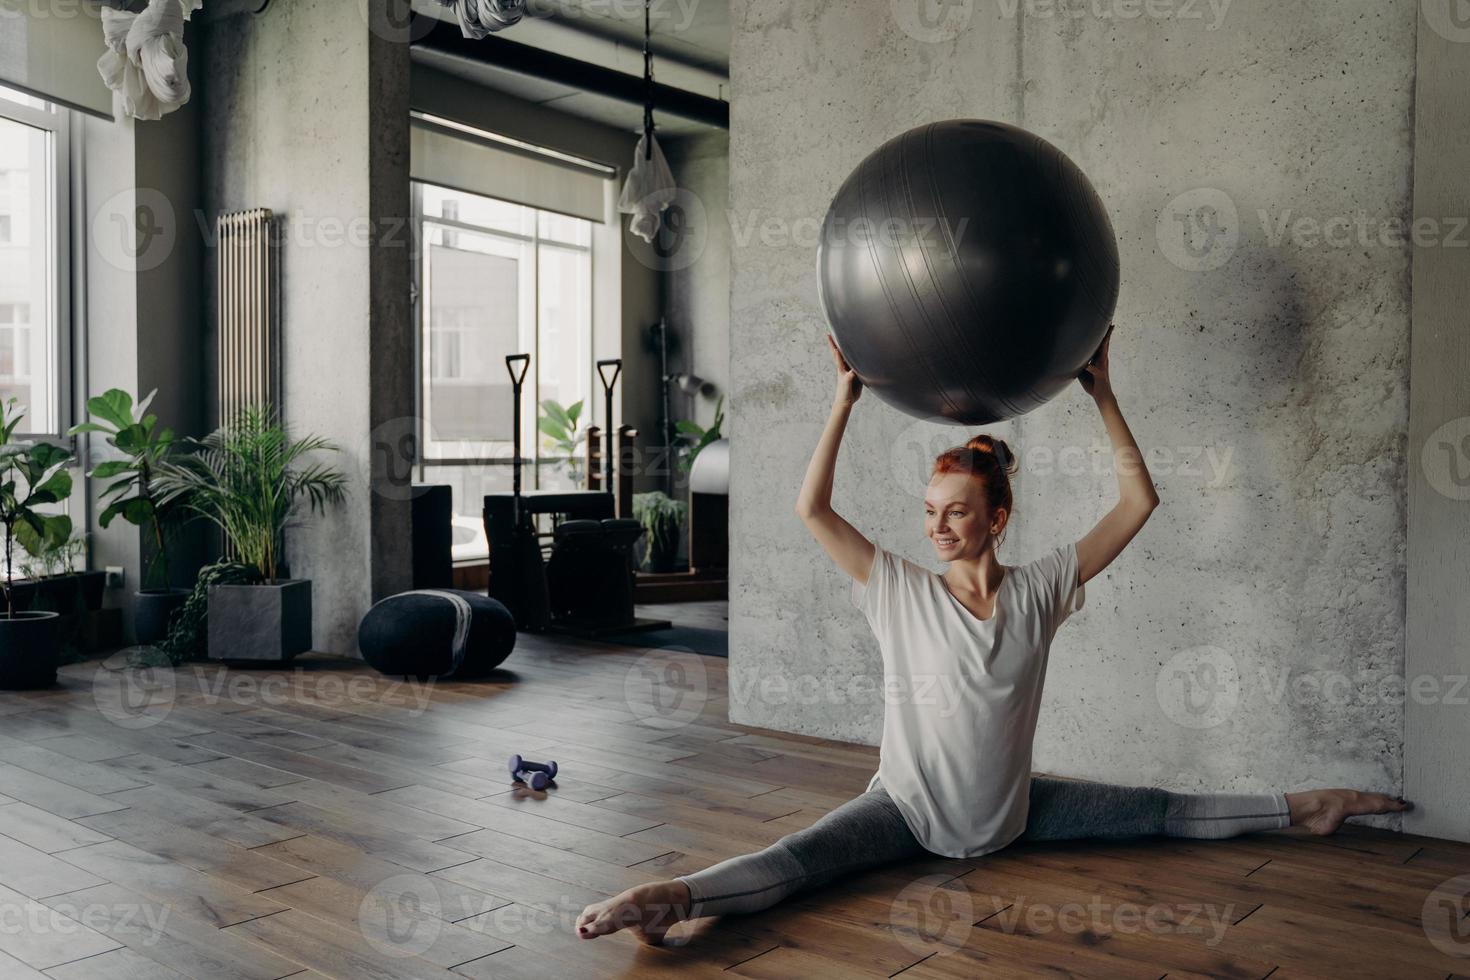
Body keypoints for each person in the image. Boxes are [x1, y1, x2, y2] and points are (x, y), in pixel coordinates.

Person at [575, 326, 1411, 945]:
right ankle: (672, 899)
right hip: (905, 812)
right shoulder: (897, 589)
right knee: (804, 860)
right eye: (931, 513)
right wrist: (843, 401)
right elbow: (812, 511)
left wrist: (1102, 393)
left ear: (996, 519)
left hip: (1015, 816)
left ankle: (1309, 808)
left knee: (1162, 812)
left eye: (957, 513)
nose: (938, 527)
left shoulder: (1043, 587)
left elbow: (1137, 505)